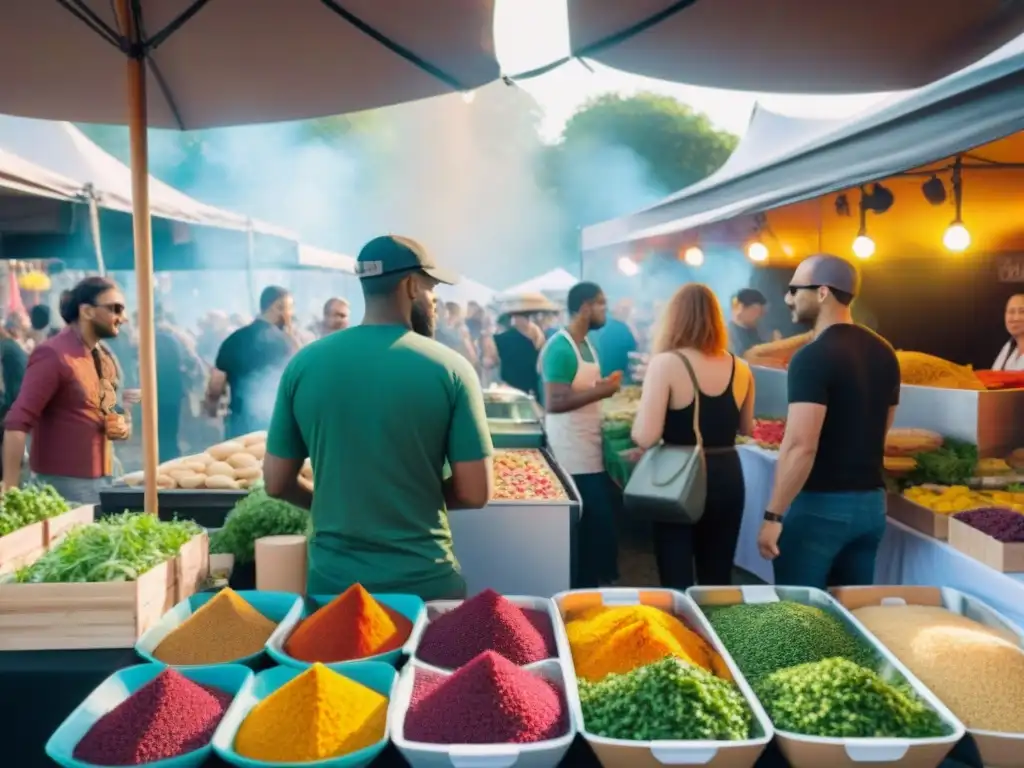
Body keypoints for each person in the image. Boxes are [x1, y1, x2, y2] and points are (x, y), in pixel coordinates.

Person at [262, 235, 493, 600]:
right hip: (425, 585)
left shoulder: (304, 365)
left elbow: (275, 482)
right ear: (411, 285)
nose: (434, 301)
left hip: (334, 589)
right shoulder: (451, 368)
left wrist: (336, 503)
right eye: (432, 289)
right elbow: (476, 491)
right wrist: (413, 499)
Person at [757, 254, 900, 588]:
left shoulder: (811, 357)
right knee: (853, 617)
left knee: (799, 618)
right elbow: (883, 428)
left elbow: (800, 446)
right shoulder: (885, 352)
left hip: (821, 507)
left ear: (823, 292)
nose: (788, 298)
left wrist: (773, 515)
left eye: (795, 289)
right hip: (871, 508)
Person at [631, 285, 755, 589]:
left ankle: (684, 635)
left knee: (677, 580)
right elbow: (747, 429)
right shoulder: (742, 367)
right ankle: (717, 634)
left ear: (674, 318)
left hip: (679, 477)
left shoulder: (666, 363)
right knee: (717, 577)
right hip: (727, 474)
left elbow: (645, 436)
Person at [2, 277, 130, 503]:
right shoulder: (53, 354)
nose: (123, 318)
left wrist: (121, 427)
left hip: (106, 479)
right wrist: (10, 491)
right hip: (62, 488)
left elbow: (114, 412)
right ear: (87, 311)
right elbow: (16, 423)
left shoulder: (105, 356)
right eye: (115, 309)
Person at [540, 282, 621, 587]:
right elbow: (555, 402)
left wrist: (601, 389)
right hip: (570, 456)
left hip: (590, 451)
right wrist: (604, 390)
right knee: (588, 532)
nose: (606, 309)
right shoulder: (561, 347)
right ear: (585, 306)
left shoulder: (588, 345)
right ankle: (579, 594)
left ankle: (590, 591)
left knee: (596, 532)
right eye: (602, 303)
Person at [205, 286, 296, 439]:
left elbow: (215, 385)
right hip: (277, 428)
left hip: (240, 427)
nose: (291, 315)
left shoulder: (233, 340)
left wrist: (211, 412)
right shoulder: (287, 343)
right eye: (289, 308)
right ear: (277, 307)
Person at [596, 299, 638, 383]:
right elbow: (634, 347)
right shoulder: (622, 328)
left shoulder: (602, 323)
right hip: (616, 376)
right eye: (624, 309)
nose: (625, 312)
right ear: (616, 308)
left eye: (627, 310)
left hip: (603, 374)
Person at [728, 289, 768, 357]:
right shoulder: (729, 334)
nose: (759, 316)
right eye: (756, 310)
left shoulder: (755, 329)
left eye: (761, 312)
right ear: (741, 308)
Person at [993, 294, 1024, 370]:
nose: (1016, 318)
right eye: (1011, 312)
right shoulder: (1009, 348)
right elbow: (994, 377)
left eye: (1022, 312)